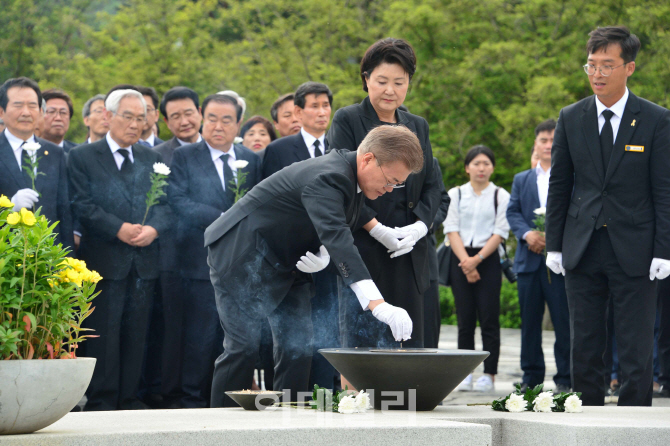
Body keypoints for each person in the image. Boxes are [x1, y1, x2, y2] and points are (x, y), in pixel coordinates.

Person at [206, 125, 422, 407]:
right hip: (243, 256)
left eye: (398, 184)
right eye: (391, 180)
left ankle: (288, 422)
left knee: (298, 347)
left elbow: (333, 230)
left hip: (291, 262)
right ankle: (219, 428)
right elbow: (338, 237)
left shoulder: (354, 179)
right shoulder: (330, 175)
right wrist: (377, 305)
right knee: (243, 349)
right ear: (368, 159)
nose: (390, 189)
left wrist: (329, 255)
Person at [545, 26, 670, 406]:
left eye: (607, 65)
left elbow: (664, 190)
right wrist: (554, 244)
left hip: (635, 247)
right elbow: (560, 185)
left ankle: (634, 421)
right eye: (591, 65)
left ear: (628, 68)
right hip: (582, 244)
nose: (597, 74)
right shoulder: (571, 116)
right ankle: (585, 416)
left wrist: (664, 250)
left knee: (635, 342)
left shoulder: (655, 119)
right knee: (584, 339)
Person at [327, 38, 442, 351]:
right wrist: (378, 230)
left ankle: (413, 400)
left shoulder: (418, 125)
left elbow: (433, 185)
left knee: (415, 344)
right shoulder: (347, 119)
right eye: (381, 81)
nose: (390, 90)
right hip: (368, 248)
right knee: (366, 343)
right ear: (366, 80)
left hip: (412, 252)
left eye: (399, 82)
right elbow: (342, 183)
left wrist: (419, 227)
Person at [68, 89, 169, 410]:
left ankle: (129, 398)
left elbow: (167, 205)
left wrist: (154, 228)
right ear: (108, 116)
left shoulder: (152, 158)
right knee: (104, 335)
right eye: (128, 116)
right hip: (103, 262)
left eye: (141, 118)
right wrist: (118, 228)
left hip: (144, 263)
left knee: (137, 334)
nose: (135, 124)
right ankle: (101, 399)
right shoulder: (83, 156)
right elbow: (81, 205)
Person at [169, 94, 262, 408]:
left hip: (242, 267)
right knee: (199, 339)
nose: (218, 126)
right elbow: (179, 202)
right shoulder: (184, 157)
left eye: (226, 120)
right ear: (200, 117)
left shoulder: (251, 159)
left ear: (238, 124)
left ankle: (230, 402)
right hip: (197, 264)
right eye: (211, 118)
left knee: (238, 341)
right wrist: (223, 219)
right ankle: (190, 401)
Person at [506, 119, 571, 393]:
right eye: (543, 140)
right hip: (528, 262)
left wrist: (554, 239)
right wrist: (527, 234)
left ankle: (566, 379)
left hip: (560, 262)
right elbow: (513, 212)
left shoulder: (572, 175)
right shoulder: (522, 179)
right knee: (529, 324)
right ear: (536, 144)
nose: (548, 145)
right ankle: (531, 379)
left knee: (564, 323)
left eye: (553, 140)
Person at [149, 86, 203, 408]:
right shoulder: (157, 156)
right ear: (165, 121)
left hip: (213, 259)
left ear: (199, 112)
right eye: (175, 116)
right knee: (173, 330)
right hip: (172, 256)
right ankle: (171, 395)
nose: (184, 120)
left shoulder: (217, 151)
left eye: (189, 112)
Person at [446, 145, 510, 393]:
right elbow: (451, 229)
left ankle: (489, 374)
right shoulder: (456, 194)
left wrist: (478, 260)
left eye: (486, 163)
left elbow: (500, 231)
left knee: (489, 319)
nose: (481, 168)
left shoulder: (500, 195)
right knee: (465, 320)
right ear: (467, 168)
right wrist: (466, 262)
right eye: (476, 163)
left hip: (488, 259)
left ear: (492, 167)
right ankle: (465, 373)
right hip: (460, 257)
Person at [0, 77, 74, 250]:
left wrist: (67, 260)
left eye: (32, 106)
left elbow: (64, 212)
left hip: (46, 255)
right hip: (6, 256)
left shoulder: (54, 153)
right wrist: (10, 207)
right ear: (2, 112)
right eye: (18, 105)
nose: (26, 112)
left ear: (41, 111)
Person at [262, 82, 332, 179]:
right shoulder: (278, 150)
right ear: (298, 111)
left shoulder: (340, 146)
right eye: (314, 106)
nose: (322, 113)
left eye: (325, 105)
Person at [423, 157, 450, 349]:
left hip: (424, 254)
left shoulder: (430, 162)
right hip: (385, 253)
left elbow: (443, 200)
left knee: (428, 327)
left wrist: (424, 223)